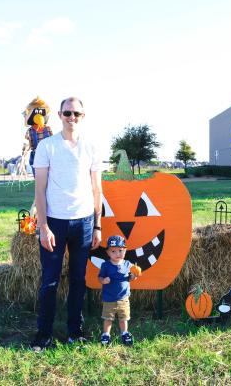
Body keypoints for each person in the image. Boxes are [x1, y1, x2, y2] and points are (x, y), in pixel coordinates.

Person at [30, 97, 102, 352]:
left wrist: (97, 225)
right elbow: (40, 189)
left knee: (78, 280)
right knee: (49, 281)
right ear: (59, 115)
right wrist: (43, 226)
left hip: (83, 222)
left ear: (84, 116)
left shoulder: (91, 147)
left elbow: (97, 189)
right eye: (68, 113)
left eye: (77, 114)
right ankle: (44, 334)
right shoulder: (47, 147)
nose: (72, 117)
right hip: (55, 223)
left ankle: (75, 331)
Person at [98, 235, 137, 346]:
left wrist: (134, 275)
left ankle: (124, 333)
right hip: (109, 298)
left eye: (120, 250)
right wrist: (104, 280)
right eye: (113, 251)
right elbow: (100, 278)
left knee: (123, 318)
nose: (117, 254)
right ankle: (106, 334)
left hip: (124, 298)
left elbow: (130, 278)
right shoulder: (105, 265)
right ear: (108, 253)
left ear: (125, 251)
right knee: (108, 318)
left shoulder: (128, 264)